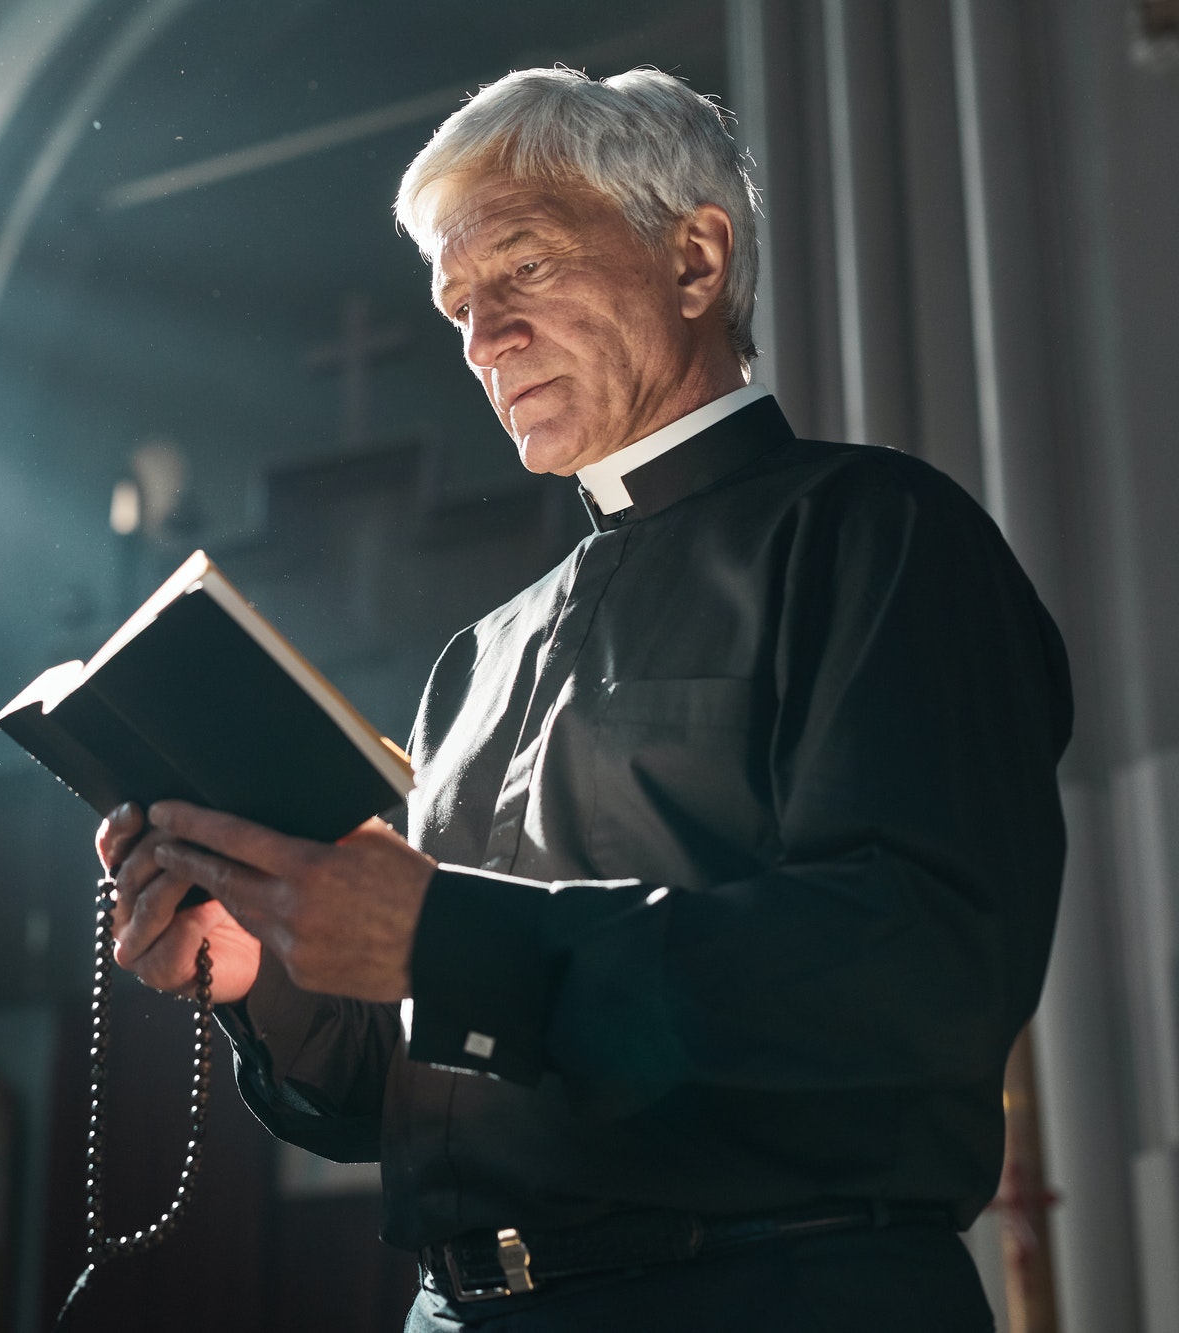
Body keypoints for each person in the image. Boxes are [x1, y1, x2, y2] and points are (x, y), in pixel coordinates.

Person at [95, 65, 1071, 1332]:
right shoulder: (477, 659)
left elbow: (914, 975)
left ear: (694, 260)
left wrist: (446, 941)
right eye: (456, 305)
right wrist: (261, 973)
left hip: (766, 1291)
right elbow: (406, 1089)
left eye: (525, 270)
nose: (483, 338)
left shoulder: (876, 538)